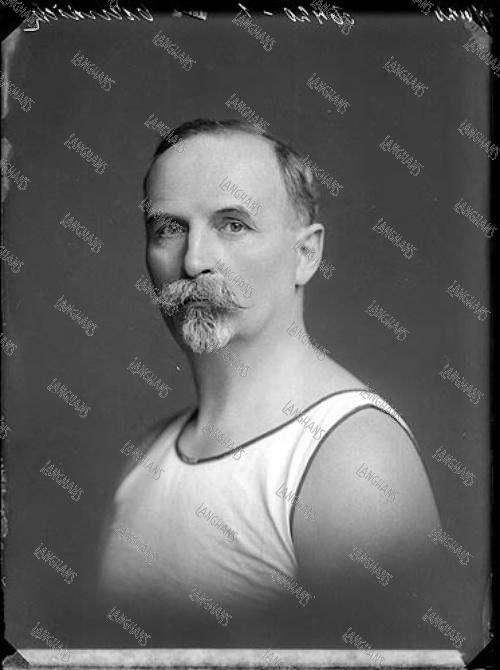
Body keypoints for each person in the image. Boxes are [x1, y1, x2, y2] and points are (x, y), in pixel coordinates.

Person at [99, 119, 447, 648]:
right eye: (169, 228)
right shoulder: (147, 453)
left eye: (233, 225)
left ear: (306, 254)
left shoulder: (356, 461)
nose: (194, 261)